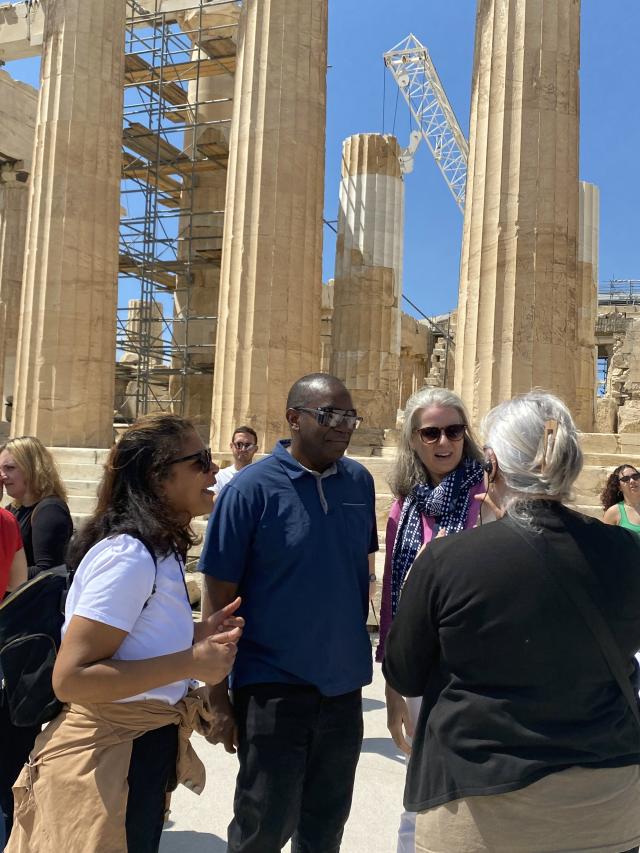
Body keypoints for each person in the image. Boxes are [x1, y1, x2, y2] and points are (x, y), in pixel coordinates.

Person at [384, 391, 640, 853]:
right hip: (609, 804)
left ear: (494, 465)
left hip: (479, 805)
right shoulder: (628, 552)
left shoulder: (447, 560)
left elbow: (404, 673)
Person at [6, 414, 243, 853]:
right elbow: (72, 678)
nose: (215, 470)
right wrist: (190, 663)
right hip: (104, 760)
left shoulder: (158, 550)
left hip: (138, 751)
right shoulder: (129, 556)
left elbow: (134, 641)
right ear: (159, 476)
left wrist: (195, 636)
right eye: (202, 461)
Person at [200, 373, 378, 853]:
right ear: (294, 419)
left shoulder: (359, 482)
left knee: (324, 832)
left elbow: (360, 571)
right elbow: (217, 597)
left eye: (349, 417)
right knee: (263, 828)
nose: (343, 426)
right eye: (330, 415)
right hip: (272, 690)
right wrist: (217, 697)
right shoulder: (250, 490)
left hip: (343, 690)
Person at [376, 387, 485, 852]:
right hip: (422, 668)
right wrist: (392, 680)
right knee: (421, 785)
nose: (445, 442)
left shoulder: (490, 497)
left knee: (479, 786)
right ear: (414, 440)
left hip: (481, 668)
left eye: (454, 431)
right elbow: (391, 600)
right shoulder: (404, 509)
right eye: (432, 432)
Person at [0, 436, 73, 576]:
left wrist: (5, 575)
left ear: (32, 468)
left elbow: (47, 571)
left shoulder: (50, 510)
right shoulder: (12, 509)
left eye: (9, 468)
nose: (2, 476)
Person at [212, 425, 259, 498]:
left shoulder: (261, 477)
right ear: (231, 446)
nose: (243, 449)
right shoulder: (219, 476)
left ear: (255, 449)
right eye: (239, 444)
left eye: (248, 445)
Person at [602, 464, 640, 533]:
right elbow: (605, 541)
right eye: (625, 479)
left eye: (635, 476)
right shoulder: (613, 512)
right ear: (619, 487)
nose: (632, 481)